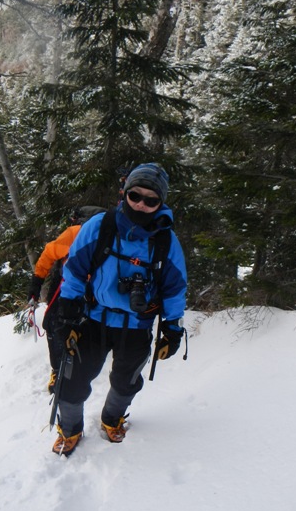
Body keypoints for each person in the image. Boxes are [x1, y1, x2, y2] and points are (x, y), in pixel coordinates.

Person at [52, 163, 187, 456]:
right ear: (124, 193)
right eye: (135, 196)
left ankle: (112, 419)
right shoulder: (99, 226)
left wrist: (172, 328)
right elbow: (74, 271)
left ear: (160, 203)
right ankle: (70, 428)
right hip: (92, 320)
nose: (141, 204)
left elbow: (175, 287)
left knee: (127, 382)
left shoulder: (166, 241)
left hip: (137, 326)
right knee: (71, 381)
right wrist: (68, 310)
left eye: (151, 200)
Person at [28, 206, 106, 393]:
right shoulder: (88, 232)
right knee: (61, 322)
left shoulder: (78, 232)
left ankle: (64, 367)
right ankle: (61, 368)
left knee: (62, 323)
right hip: (80, 283)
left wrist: (36, 283)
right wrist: (36, 283)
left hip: (80, 283)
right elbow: (49, 253)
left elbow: (48, 253)